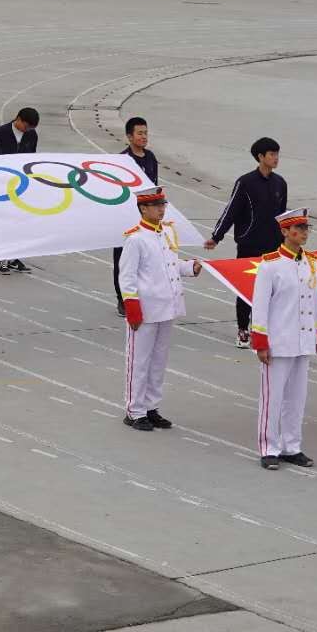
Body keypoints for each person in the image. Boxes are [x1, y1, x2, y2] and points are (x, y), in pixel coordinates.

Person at [118, 187, 203, 431]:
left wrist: (190, 267)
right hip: (146, 309)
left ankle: (151, 407)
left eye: (162, 204)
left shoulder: (166, 232)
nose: (161, 209)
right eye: (156, 205)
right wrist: (132, 307)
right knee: (139, 361)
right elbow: (127, 276)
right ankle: (135, 411)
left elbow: (170, 265)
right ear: (143, 209)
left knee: (158, 361)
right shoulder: (136, 239)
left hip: (167, 305)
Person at [250, 208, 317, 471]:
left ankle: (292, 446)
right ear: (284, 231)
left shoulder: (312, 262)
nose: (303, 233)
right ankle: (269, 448)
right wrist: (260, 341)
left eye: (305, 228)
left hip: (303, 339)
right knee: (273, 398)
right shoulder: (270, 264)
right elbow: (260, 305)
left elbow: (315, 301)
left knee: (297, 398)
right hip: (278, 341)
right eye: (298, 229)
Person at [205, 137, 289, 349]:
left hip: (274, 246)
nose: (276, 158)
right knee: (246, 288)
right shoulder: (245, 182)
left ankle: (263, 329)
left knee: (272, 290)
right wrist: (216, 236)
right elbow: (231, 211)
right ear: (260, 157)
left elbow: (283, 217)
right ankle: (243, 329)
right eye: (272, 154)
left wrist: (287, 242)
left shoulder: (280, 183)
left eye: (277, 154)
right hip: (249, 245)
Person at [112, 116, 160, 313]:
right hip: (126, 218)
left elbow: (155, 187)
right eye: (140, 133)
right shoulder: (122, 161)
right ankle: (123, 299)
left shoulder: (151, 158)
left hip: (146, 218)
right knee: (123, 259)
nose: (144, 137)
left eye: (146, 133)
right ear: (129, 136)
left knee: (147, 258)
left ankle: (144, 296)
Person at [0, 107, 39, 273]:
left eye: (31, 128)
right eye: (26, 126)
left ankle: (14, 257)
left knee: (19, 221)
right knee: (4, 221)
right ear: (18, 119)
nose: (28, 130)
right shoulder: (1, 133)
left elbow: (32, 158)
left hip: (21, 185)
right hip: (2, 184)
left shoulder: (32, 135)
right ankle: (1, 258)